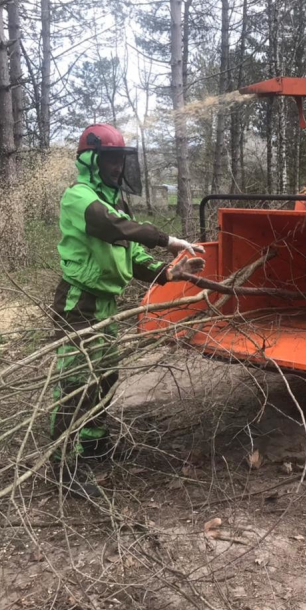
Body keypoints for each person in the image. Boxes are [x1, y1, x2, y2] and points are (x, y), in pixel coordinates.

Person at [51, 123, 204, 497]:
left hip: (104, 303)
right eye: (110, 159)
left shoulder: (112, 200)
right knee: (76, 384)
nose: (117, 167)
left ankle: (94, 445)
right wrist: (166, 240)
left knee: (105, 376)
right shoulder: (80, 197)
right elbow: (110, 227)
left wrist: (168, 272)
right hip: (78, 303)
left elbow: (130, 252)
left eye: (121, 160)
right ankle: (61, 465)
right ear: (91, 160)